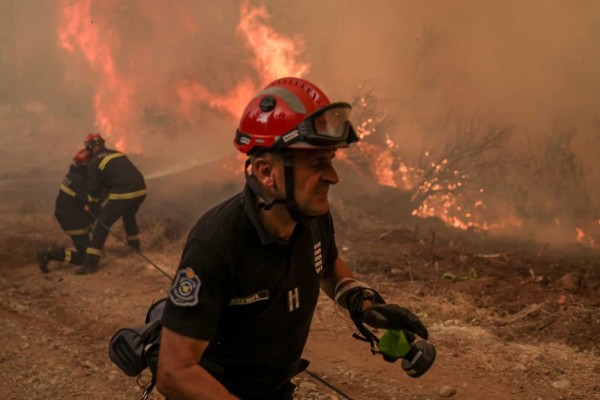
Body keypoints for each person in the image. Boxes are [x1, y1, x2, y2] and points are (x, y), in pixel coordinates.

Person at [156, 77, 430, 400]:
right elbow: (174, 372)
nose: (333, 177)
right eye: (317, 164)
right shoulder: (216, 245)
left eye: (330, 161)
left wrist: (363, 304)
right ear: (265, 172)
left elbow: (327, 266)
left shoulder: (313, 217)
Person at [77, 133, 147, 274]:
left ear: (90, 147)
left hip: (123, 193)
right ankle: (134, 246)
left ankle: (90, 265)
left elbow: (94, 191)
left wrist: (92, 205)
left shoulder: (94, 162)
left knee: (101, 226)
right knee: (129, 215)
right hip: (140, 190)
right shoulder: (117, 154)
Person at [36, 148, 96, 273]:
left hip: (69, 217)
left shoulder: (73, 175)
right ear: (86, 164)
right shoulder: (78, 180)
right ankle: (51, 254)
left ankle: (51, 253)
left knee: (87, 250)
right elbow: (89, 200)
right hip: (73, 220)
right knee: (84, 257)